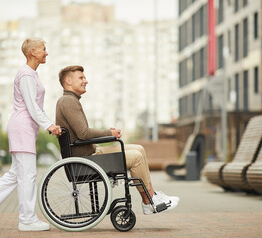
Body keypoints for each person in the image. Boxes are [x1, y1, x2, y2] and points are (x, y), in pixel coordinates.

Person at [55, 65, 179, 215]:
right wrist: (109, 132)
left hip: (89, 153)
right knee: (136, 158)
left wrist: (110, 134)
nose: (85, 81)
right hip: (85, 160)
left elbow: (82, 133)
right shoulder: (68, 101)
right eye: (81, 78)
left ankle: (153, 195)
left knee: (139, 148)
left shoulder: (70, 100)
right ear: (68, 81)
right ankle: (148, 201)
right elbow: (83, 133)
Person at [0, 38, 62, 232]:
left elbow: (35, 107)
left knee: (16, 174)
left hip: (25, 128)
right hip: (22, 127)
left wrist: (48, 123)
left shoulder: (32, 74)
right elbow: (31, 106)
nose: (46, 52)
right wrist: (49, 125)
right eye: (44, 49)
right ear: (32, 52)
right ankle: (27, 219)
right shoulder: (26, 74)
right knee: (27, 175)